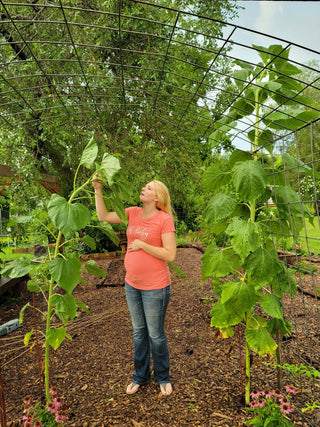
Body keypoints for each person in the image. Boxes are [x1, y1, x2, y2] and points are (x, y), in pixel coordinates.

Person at [92, 175, 176, 396]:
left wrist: (142, 244)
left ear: (157, 198)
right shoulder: (132, 213)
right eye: (144, 186)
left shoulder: (164, 219)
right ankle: (140, 376)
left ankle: (163, 376)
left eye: (148, 188)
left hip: (156, 287)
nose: (143, 188)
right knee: (139, 332)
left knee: (155, 334)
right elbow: (103, 216)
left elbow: (171, 254)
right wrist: (98, 188)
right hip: (132, 284)